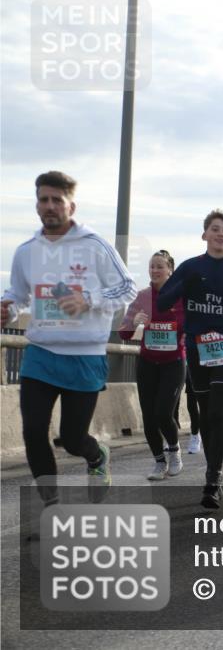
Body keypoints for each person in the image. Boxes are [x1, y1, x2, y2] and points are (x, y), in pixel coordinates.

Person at [2, 171, 137, 504]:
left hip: (84, 355)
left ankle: (96, 456)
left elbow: (126, 287)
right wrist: (8, 309)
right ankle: (52, 505)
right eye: (43, 199)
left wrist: (88, 300)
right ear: (37, 204)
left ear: (70, 205)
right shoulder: (26, 251)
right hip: (41, 353)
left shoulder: (94, 246)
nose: (49, 206)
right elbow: (18, 296)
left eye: (56, 200)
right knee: (33, 431)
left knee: (73, 438)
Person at [157, 210, 223, 508]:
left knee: (216, 411)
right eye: (215, 229)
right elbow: (164, 301)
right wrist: (183, 284)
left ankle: (213, 479)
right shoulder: (192, 267)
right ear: (204, 234)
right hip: (195, 349)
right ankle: (212, 470)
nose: (220, 234)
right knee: (206, 414)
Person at [118, 250, 186, 480]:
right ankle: (159, 461)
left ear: (170, 270)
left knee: (163, 412)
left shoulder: (180, 297)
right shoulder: (142, 296)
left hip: (173, 363)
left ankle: (174, 451)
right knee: (148, 416)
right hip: (147, 363)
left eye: (160, 266)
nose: (155, 270)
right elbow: (124, 333)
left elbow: (193, 325)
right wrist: (134, 322)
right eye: (152, 266)